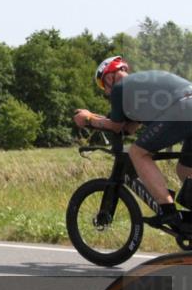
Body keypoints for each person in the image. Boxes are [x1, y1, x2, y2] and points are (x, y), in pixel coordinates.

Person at [73, 56, 192, 225]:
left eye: (102, 85)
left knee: (138, 153)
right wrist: (98, 120)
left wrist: (88, 118)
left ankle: (169, 212)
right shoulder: (139, 89)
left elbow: (115, 126)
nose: (106, 92)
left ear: (108, 77)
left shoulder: (120, 88)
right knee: (185, 169)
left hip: (183, 108)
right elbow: (128, 128)